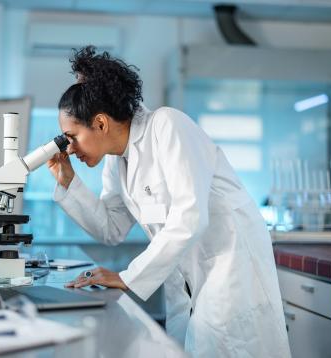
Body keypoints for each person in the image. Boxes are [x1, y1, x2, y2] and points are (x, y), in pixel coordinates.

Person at [47, 46, 290, 357]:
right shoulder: (116, 160)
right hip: (190, 281)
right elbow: (111, 228)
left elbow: (190, 218)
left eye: (72, 136)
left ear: (101, 123)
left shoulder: (167, 126)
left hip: (230, 273)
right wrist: (68, 181)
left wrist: (126, 277)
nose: (69, 149)